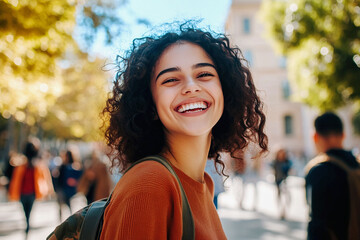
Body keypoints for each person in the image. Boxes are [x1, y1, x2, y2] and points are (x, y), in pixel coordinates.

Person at [100, 23, 268, 239]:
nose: (191, 86)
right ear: (149, 105)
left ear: (224, 90)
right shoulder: (149, 184)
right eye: (170, 79)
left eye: (204, 74)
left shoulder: (203, 184)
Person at [305, 112, 360, 239]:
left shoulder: (318, 170)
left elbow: (316, 223)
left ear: (315, 137)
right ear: (343, 135)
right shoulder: (356, 165)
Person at [8, 137, 54, 235]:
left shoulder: (38, 165)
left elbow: (46, 179)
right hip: (24, 193)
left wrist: (50, 190)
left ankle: (27, 224)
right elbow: (15, 180)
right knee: (26, 210)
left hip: (32, 192)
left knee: (28, 210)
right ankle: (27, 223)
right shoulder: (22, 164)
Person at [271, 148, 292, 219]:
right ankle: (280, 211)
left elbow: (290, 169)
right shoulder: (275, 162)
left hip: (285, 181)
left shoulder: (287, 161)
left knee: (286, 197)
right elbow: (273, 170)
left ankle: (284, 211)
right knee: (279, 196)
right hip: (277, 180)